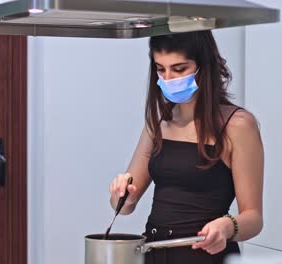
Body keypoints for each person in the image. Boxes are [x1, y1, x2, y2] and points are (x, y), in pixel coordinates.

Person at [109, 30, 264, 264]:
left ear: (204, 66)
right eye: (161, 69)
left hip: (205, 256)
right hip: (154, 252)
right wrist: (120, 195)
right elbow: (125, 206)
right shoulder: (160, 122)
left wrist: (226, 226)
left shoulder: (238, 125)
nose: (169, 78)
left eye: (179, 69)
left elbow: (254, 219)